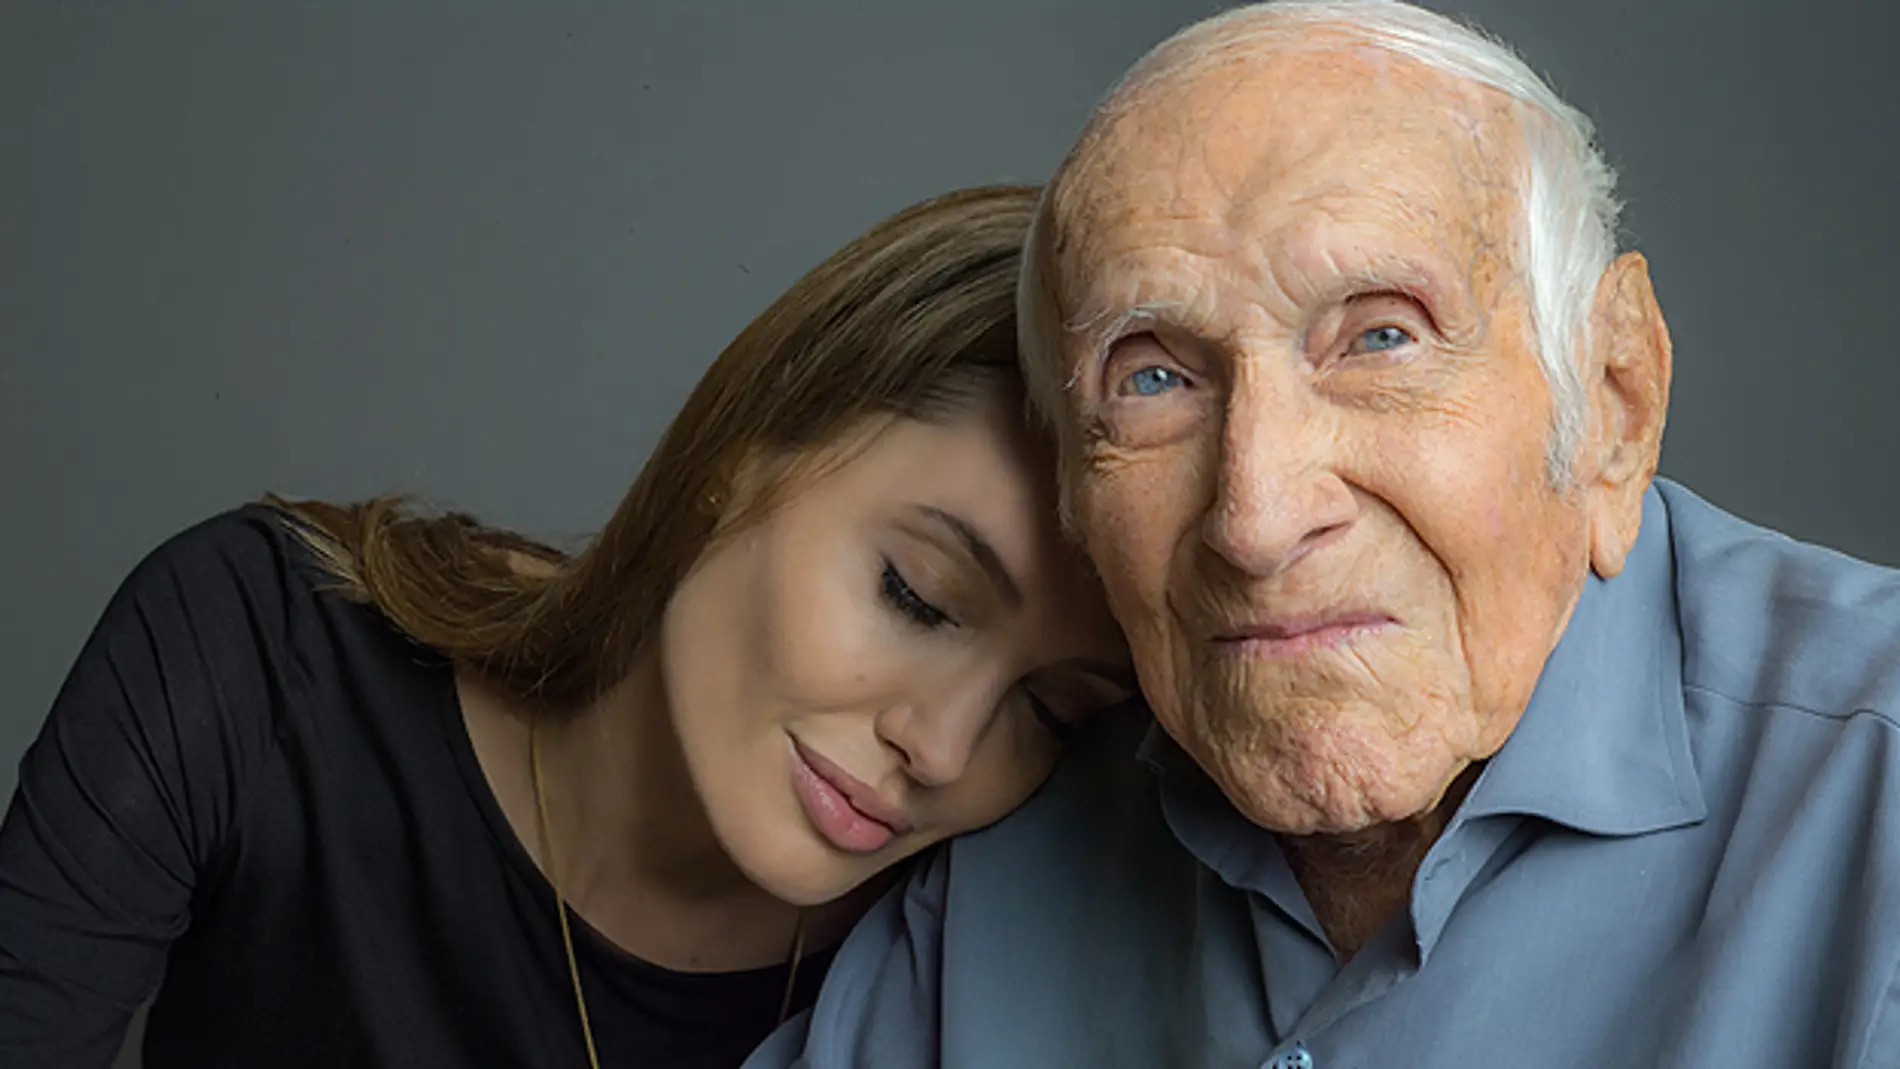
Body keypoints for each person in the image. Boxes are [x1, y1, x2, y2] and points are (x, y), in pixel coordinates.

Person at [748, 5, 1900, 1068]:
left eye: (1380, 340)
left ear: (1612, 402)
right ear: (1072, 492)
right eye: (1152, 377)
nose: (1256, 519)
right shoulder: (1004, 856)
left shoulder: (1873, 797)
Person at [0, 184, 1133, 1069]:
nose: (938, 749)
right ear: (741, 453)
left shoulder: (957, 963)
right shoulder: (259, 649)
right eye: (915, 595)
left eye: (1046, 707)